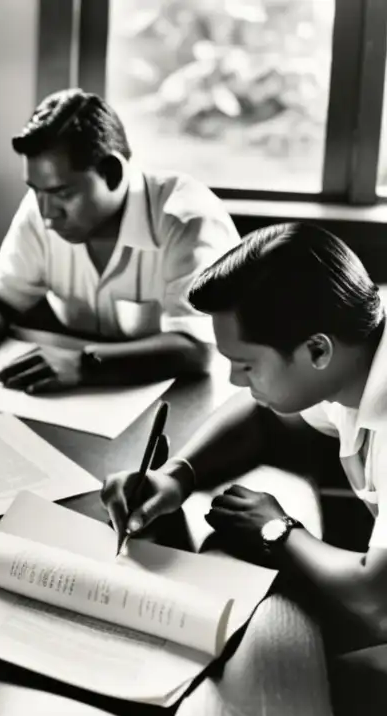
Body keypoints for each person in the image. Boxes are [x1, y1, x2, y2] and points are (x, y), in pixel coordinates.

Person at [101, 223, 387, 643]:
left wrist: (281, 530)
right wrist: (178, 475)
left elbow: (374, 593)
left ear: (317, 351)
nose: (235, 381)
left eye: (247, 365)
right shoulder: (352, 359)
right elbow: (262, 416)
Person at [0, 88, 239, 393]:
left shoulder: (187, 221)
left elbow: (199, 348)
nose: (47, 213)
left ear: (114, 173)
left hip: (184, 402)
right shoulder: (40, 211)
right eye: (36, 190)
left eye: (63, 194)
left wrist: (83, 365)